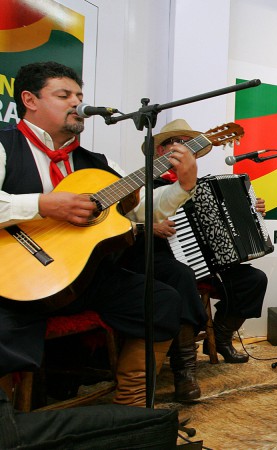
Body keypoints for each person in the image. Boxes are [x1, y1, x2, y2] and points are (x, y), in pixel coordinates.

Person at [0, 61, 185, 407]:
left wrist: (184, 184)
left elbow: (141, 208)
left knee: (162, 300)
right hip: (11, 277)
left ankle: (130, 410)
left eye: (80, 95)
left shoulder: (96, 161)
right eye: (64, 95)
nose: (77, 103)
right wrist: (43, 205)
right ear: (30, 99)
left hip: (79, 277)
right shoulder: (3, 145)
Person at [121, 119, 269, 403]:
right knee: (181, 277)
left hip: (204, 258)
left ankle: (223, 338)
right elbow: (114, 221)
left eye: (185, 143)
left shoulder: (202, 185)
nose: (181, 148)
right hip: (153, 256)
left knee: (253, 279)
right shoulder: (140, 184)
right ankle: (184, 371)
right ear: (160, 149)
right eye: (174, 142)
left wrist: (252, 208)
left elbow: (229, 221)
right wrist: (145, 226)